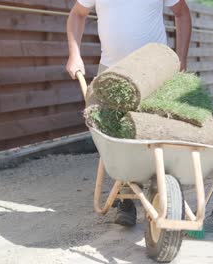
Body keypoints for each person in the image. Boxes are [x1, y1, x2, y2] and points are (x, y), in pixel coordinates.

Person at [66, 0, 192, 226]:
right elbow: (77, 14)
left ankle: (160, 188)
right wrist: (74, 55)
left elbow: (182, 13)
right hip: (112, 72)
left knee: (154, 134)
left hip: (153, 72)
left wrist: (181, 58)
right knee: (117, 137)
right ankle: (126, 196)